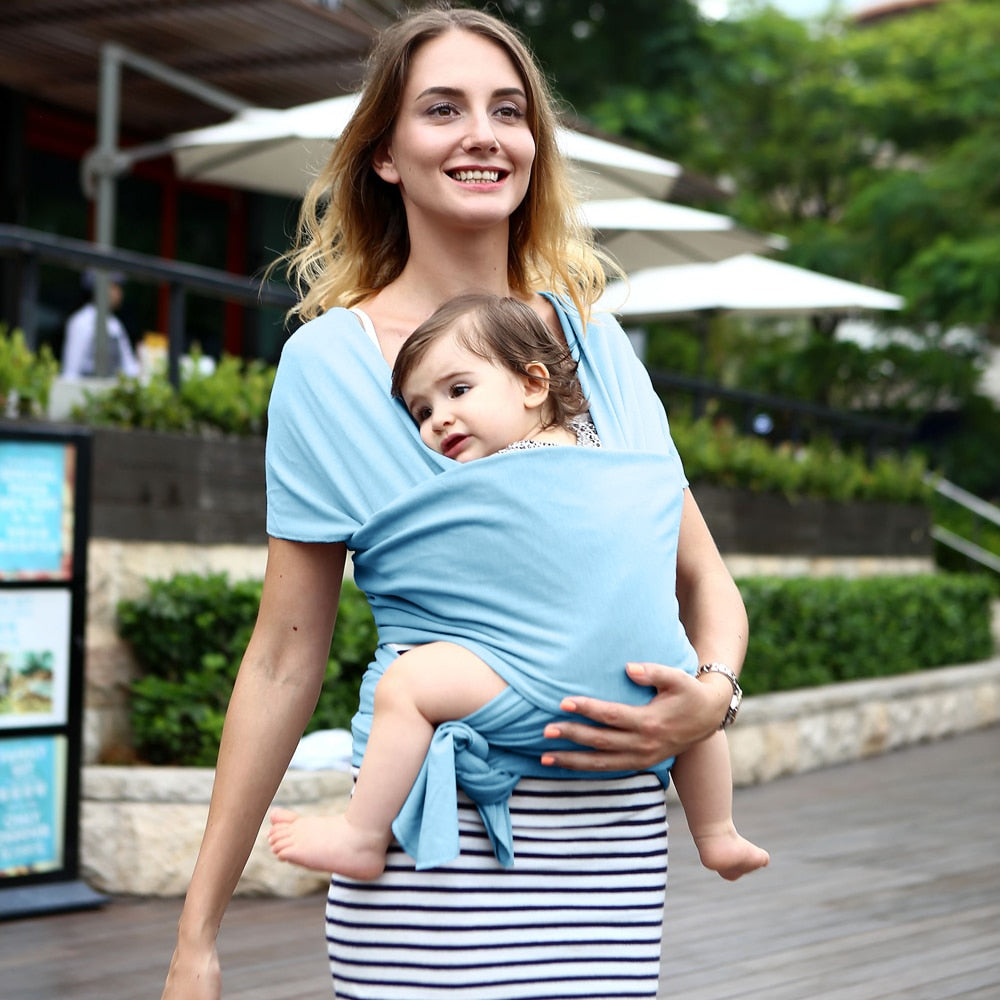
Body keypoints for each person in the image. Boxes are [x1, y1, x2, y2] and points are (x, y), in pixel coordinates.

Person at [162, 7, 750, 999]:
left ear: (533, 145)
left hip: (612, 864)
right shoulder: (329, 366)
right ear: (385, 154)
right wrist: (197, 937)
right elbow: (281, 655)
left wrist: (712, 696)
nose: (482, 133)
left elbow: (697, 577)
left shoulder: (595, 347)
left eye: (507, 110)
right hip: (435, 866)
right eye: (443, 108)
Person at [267, 292, 768, 883]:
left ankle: (361, 834)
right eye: (421, 412)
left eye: (457, 391)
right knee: (690, 691)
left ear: (534, 384)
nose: (438, 422)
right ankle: (717, 833)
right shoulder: (609, 444)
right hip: (638, 685)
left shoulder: (488, 472)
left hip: (524, 677)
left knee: (408, 686)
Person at [61, 270, 141, 378]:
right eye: (114, 287)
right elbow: (70, 372)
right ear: (99, 287)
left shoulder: (116, 325)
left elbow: (130, 369)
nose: (119, 293)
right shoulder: (81, 322)